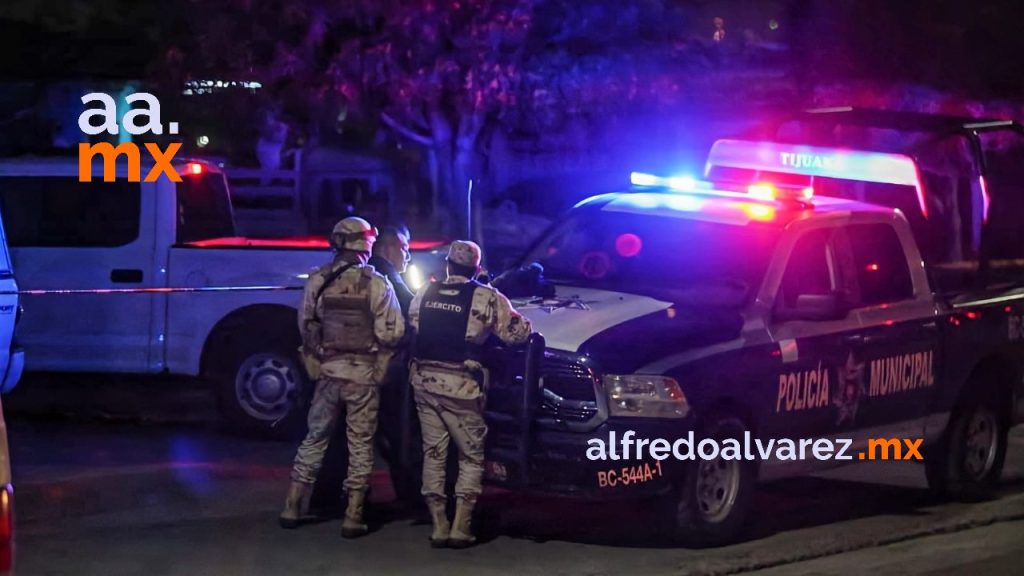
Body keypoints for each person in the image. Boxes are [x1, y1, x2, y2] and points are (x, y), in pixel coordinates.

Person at [280, 216, 405, 538]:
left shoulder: (318, 280)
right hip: (363, 376)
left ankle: (293, 506)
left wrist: (317, 357)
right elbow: (392, 332)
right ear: (366, 243)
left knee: (315, 437)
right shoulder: (376, 282)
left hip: (328, 374)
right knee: (360, 444)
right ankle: (353, 516)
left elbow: (306, 324)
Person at [408, 240, 533, 548]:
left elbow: (413, 326)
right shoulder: (487, 297)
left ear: (448, 265)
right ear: (477, 269)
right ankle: (461, 527)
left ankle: (439, 525)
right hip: (463, 388)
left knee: (433, 454)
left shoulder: (424, 292)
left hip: (424, 383)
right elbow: (517, 334)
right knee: (470, 457)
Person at [369, 226, 414, 314]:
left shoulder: (368, 267)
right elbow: (411, 305)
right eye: (404, 249)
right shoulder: (389, 275)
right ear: (387, 248)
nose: (408, 257)